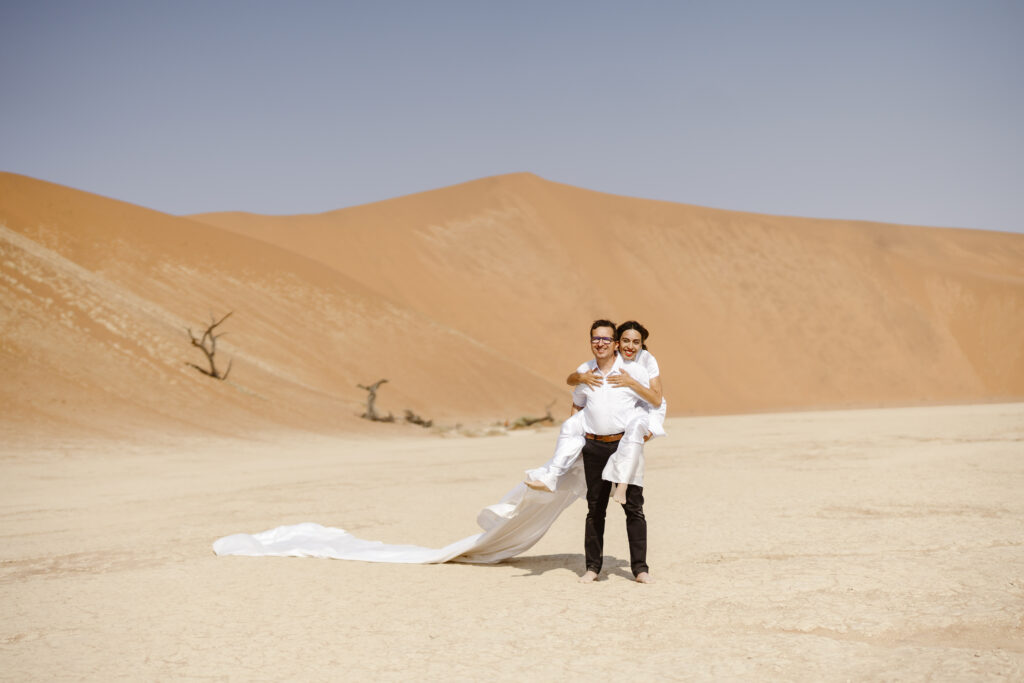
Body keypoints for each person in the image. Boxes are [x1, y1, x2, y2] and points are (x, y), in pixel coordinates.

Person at [525, 321, 665, 504]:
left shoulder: (645, 362)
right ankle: (551, 476)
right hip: (602, 426)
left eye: (636, 342)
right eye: (625, 341)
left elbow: (656, 399)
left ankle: (621, 485)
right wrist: (581, 378)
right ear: (618, 344)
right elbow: (572, 381)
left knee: (636, 430)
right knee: (569, 426)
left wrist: (631, 383)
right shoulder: (593, 366)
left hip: (642, 407)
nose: (630, 346)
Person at [570, 319, 654, 583]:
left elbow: (654, 401)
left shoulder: (632, 371)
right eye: (596, 338)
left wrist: (647, 430)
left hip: (623, 446)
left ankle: (640, 569)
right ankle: (592, 567)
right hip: (593, 445)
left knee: (633, 508)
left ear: (615, 343)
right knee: (595, 508)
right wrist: (575, 440)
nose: (600, 343)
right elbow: (576, 405)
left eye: (606, 339)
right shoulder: (585, 372)